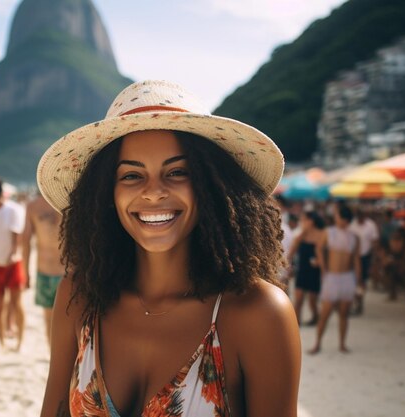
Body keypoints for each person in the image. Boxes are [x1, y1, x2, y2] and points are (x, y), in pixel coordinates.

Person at [39, 80, 300, 416]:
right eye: (132, 176)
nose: (153, 192)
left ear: (210, 186)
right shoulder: (79, 297)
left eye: (177, 172)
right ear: (106, 193)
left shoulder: (256, 313)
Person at [310, 203, 362, 354]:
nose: (336, 218)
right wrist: (324, 267)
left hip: (347, 277)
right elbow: (319, 248)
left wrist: (358, 281)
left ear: (345, 219)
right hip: (332, 277)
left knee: (344, 314)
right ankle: (317, 343)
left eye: (338, 216)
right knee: (325, 314)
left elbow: (356, 260)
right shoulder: (329, 232)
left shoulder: (354, 237)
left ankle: (342, 344)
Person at [0, 176, 26, 351]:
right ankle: (1, 341)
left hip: (12, 263)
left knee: (17, 304)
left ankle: (19, 343)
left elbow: (16, 238)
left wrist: (14, 254)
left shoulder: (13, 210)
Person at [22, 192, 64, 346]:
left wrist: (25, 272)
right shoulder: (69, 202)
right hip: (71, 273)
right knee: (73, 321)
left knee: (49, 321)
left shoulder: (33, 207)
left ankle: (54, 360)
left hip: (45, 272)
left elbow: (25, 241)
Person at [287, 210, 325, 325]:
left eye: (304, 220)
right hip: (302, 270)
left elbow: (326, 253)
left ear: (311, 221)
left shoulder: (321, 234)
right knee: (298, 299)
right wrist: (288, 266)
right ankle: (296, 322)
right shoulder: (301, 235)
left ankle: (315, 317)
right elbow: (291, 252)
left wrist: (320, 262)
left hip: (315, 271)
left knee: (312, 301)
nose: (302, 222)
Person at [349, 208, 379, 315]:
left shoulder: (371, 225)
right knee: (354, 280)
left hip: (365, 256)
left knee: (362, 280)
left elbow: (374, 241)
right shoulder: (352, 225)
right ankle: (356, 302)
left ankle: (360, 302)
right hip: (354, 257)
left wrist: (374, 257)